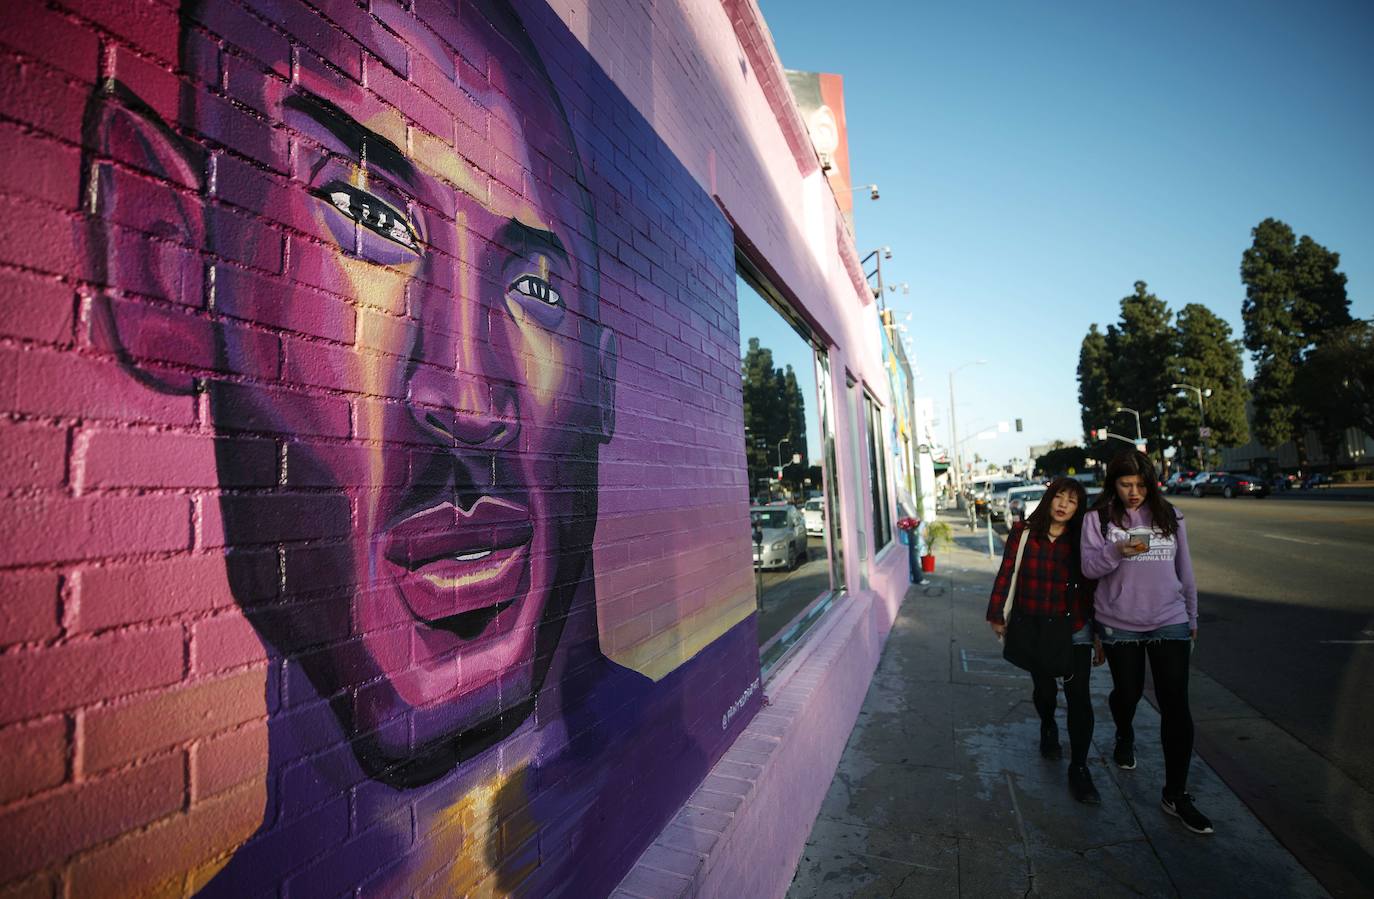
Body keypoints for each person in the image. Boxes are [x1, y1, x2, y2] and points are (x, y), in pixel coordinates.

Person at [80, 0, 754, 894]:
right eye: (366, 213)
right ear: (160, 259)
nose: (471, 399)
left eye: (536, 287)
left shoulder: (685, 744)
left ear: (600, 379)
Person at [1081, 450, 1214, 834]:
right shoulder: (1099, 518)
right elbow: (1089, 567)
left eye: (1141, 485)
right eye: (1125, 484)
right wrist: (1116, 550)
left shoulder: (1170, 516)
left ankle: (1176, 794)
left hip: (1169, 619)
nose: (1134, 492)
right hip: (1118, 622)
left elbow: (1184, 568)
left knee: (1176, 704)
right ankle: (1124, 732)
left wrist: (1191, 616)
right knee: (1129, 692)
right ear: (1113, 483)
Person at [987, 477, 1101, 804]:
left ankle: (1079, 769)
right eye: (1059, 497)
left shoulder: (1082, 540)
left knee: (1079, 696)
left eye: (1073, 501)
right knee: (1045, 690)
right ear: (1049, 499)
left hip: (1074, 626)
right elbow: (1007, 573)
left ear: (1079, 509)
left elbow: (1095, 587)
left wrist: (1100, 633)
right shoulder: (1024, 534)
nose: (1064, 505)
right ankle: (1048, 725)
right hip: (1034, 625)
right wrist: (997, 614)